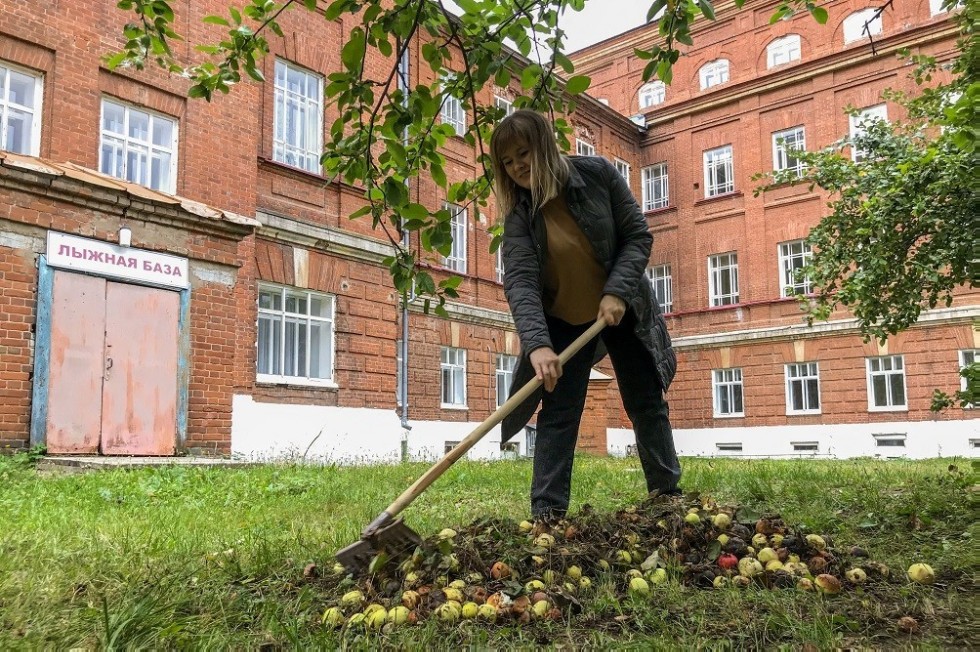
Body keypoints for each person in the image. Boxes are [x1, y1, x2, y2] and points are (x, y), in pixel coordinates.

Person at [490, 109, 681, 523]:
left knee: (645, 401)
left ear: (543, 145)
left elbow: (637, 235)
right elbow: (520, 280)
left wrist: (616, 291)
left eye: (523, 153)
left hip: (622, 308)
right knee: (559, 411)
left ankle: (667, 498)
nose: (517, 166)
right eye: (507, 161)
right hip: (563, 319)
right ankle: (547, 511)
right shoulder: (520, 215)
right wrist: (538, 344)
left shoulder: (597, 175)